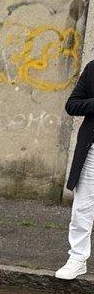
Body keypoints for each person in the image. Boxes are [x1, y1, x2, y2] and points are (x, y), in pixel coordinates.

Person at [59, 59, 94, 280]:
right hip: (92, 151)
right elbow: (72, 104)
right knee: (82, 207)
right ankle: (78, 258)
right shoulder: (92, 68)